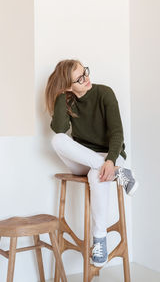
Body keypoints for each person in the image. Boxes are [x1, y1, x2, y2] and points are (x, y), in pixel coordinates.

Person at [45, 59, 138, 268]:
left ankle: (99, 239)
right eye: (79, 79)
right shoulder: (68, 101)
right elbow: (59, 128)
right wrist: (61, 95)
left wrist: (110, 160)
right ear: (69, 86)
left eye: (85, 72)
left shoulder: (105, 93)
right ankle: (119, 173)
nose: (86, 79)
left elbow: (117, 133)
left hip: (112, 154)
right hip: (86, 157)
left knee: (96, 175)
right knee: (57, 140)